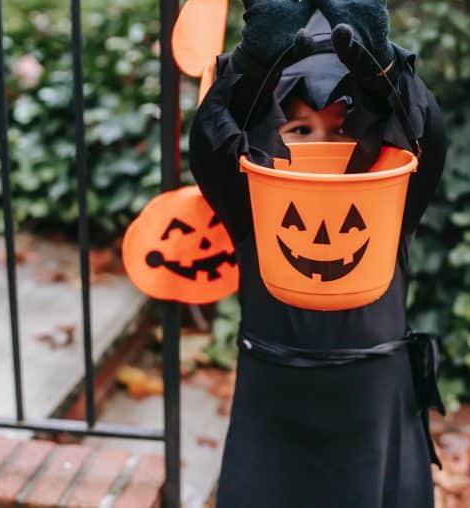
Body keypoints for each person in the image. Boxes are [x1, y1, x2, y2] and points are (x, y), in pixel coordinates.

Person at [189, 1, 447, 506]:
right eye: (300, 129)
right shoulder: (250, 204)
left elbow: (425, 136)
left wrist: (387, 74)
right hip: (274, 412)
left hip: (375, 410)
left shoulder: (393, 196)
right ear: (268, 134)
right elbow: (213, 145)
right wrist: (251, 71)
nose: (324, 146)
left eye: (342, 128)